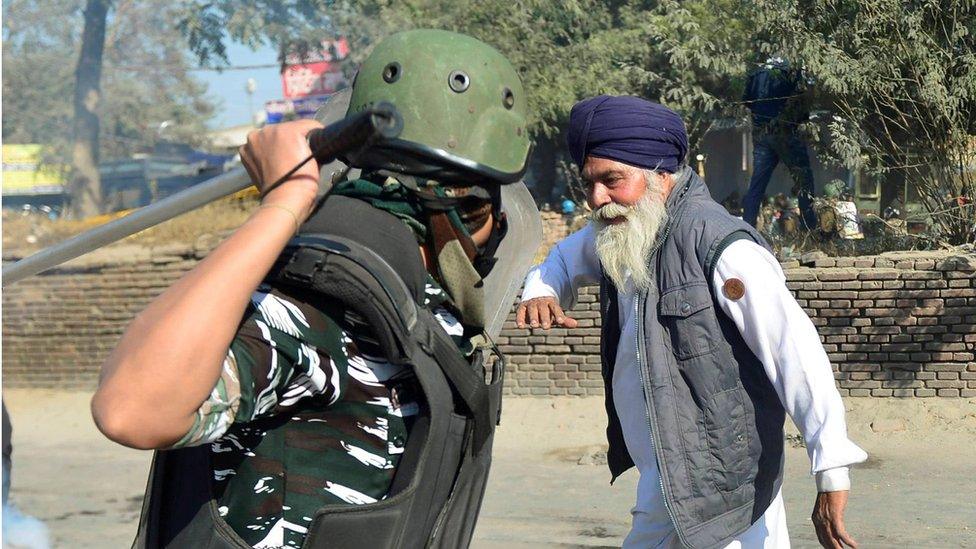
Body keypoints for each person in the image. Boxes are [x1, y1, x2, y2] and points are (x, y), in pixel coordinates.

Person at [91, 29, 531, 548]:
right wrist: (283, 203)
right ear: (468, 211)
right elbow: (131, 410)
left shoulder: (417, 313)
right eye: (488, 216)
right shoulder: (316, 311)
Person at [516, 95, 867, 548]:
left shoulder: (719, 243)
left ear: (661, 174)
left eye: (611, 181)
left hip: (725, 487)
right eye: (590, 184)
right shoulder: (624, 227)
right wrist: (543, 289)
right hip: (665, 480)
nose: (597, 199)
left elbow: (794, 352)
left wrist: (831, 469)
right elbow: (564, 256)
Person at [741, 57, 818, 231]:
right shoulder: (792, 69)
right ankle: (810, 231)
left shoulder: (757, 72)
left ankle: (746, 229)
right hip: (787, 132)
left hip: (762, 135)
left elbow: (747, 102)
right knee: (804, 180)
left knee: (756, 186)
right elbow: (804, 99)